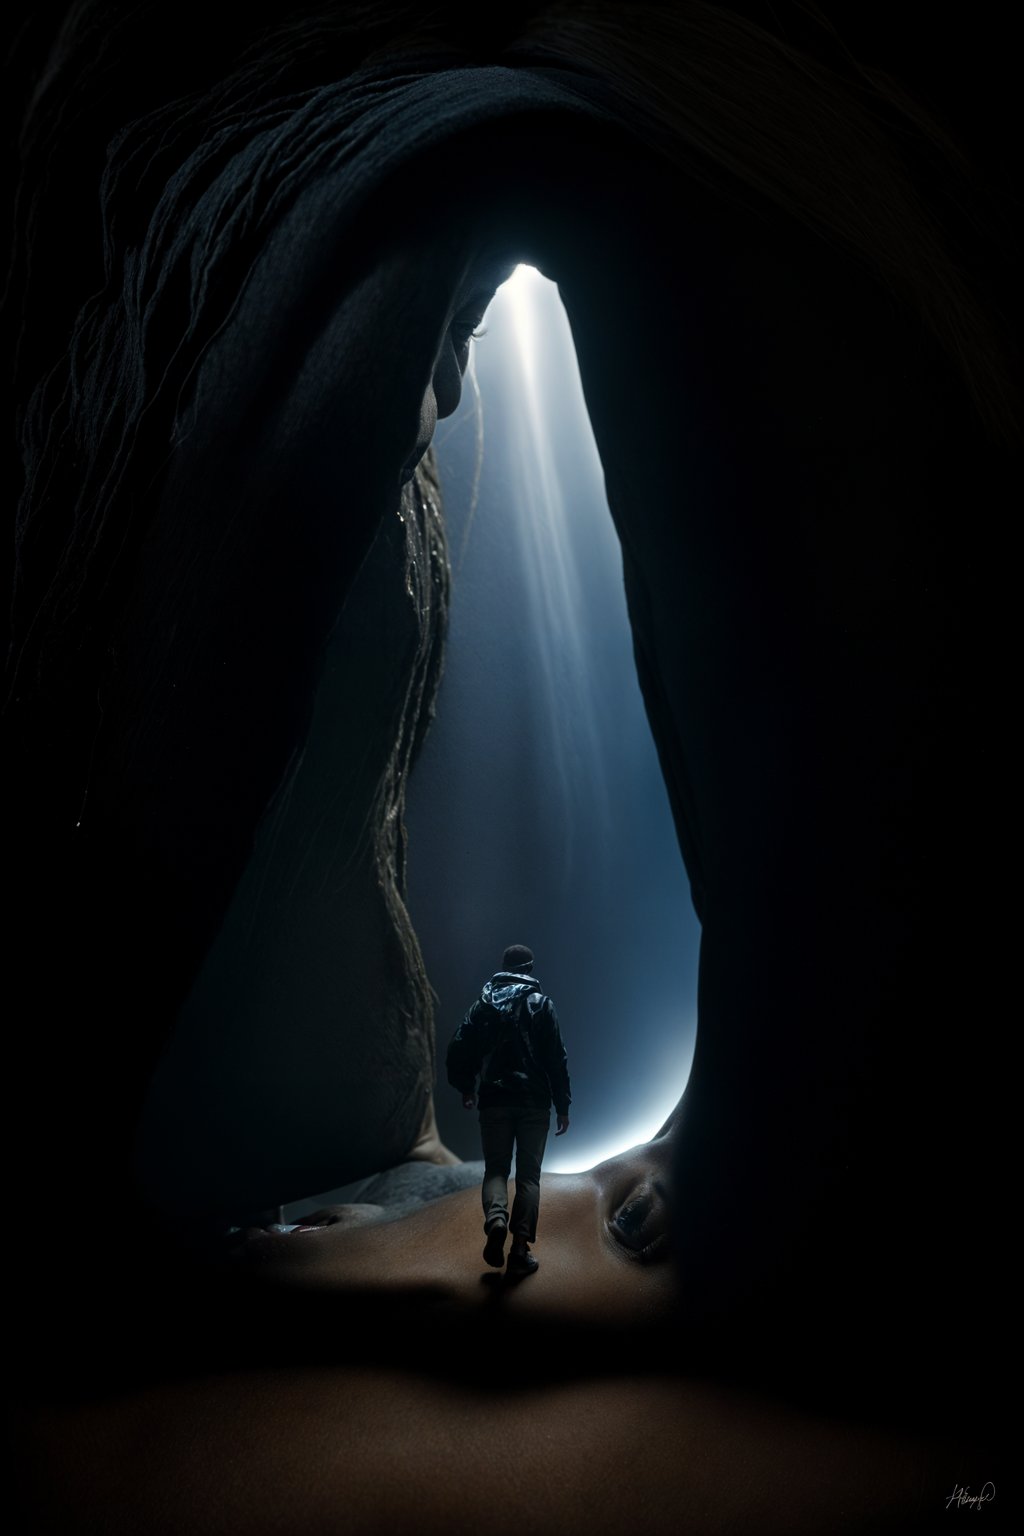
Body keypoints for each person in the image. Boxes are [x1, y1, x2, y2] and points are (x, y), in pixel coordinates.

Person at [446, 944, 571, 1275]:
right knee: (529, 1176)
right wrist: (563, 1105)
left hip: (494, 1101)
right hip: (533, 1103)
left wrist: (467, 1087)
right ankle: (519, 1249)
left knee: (497, 1170)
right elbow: (556, 1058)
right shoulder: (541, 1004)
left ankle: (496, 1220)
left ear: (503, 966)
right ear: (529, 968)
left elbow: (459, 1046)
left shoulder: (482, 1006)